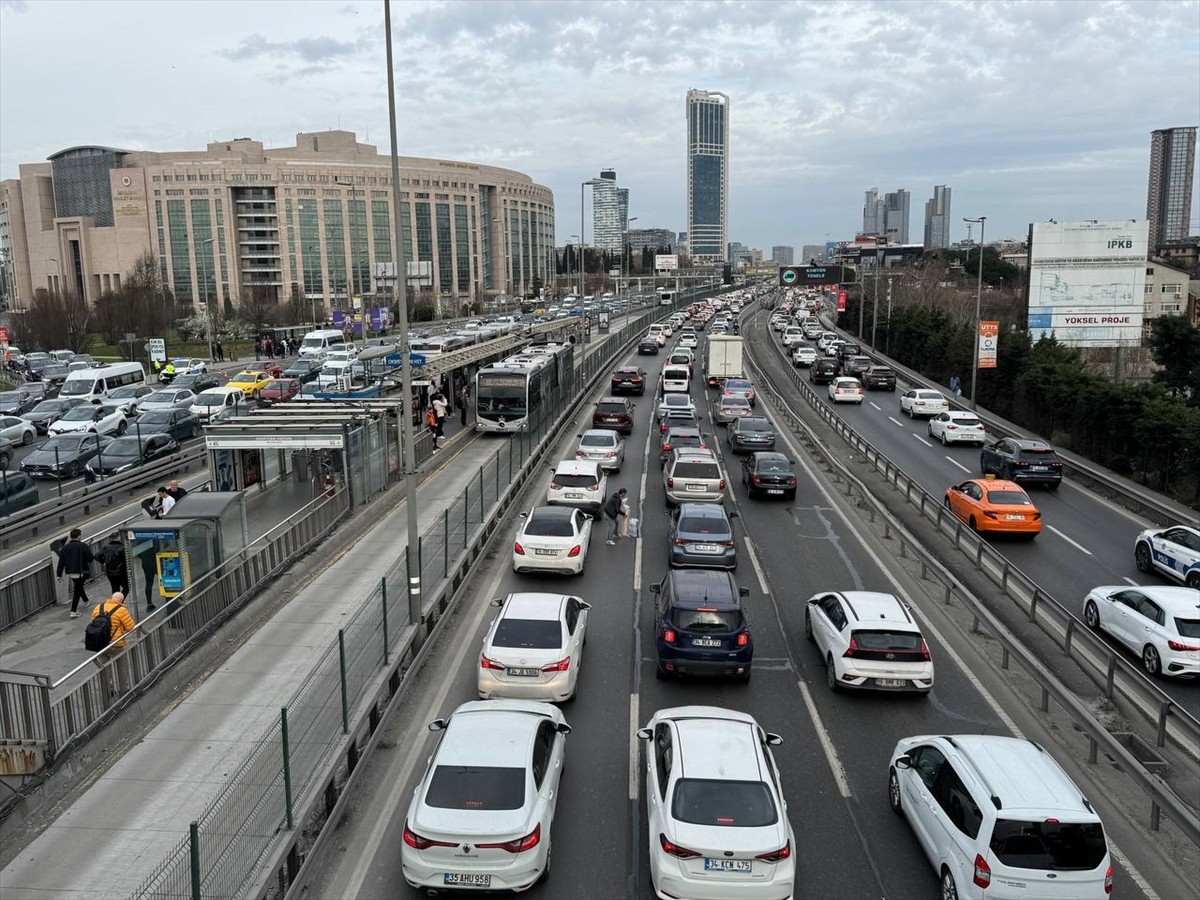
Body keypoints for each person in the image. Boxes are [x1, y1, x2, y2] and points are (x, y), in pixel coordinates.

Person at [91, 592, 137, 694]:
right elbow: (130, 627)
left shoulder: (99, 607)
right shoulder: (121, 610)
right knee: (122, 665)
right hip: (116, 644)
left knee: (103, 666)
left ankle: (108, 689)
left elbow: (93, 621)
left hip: (100, 644)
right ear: (121, 601)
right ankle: (124, 687)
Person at [56, 528, 95, 617]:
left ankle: (86, 601)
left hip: (71, 572)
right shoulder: (83, 546)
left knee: (78, 587)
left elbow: (61, 562)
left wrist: (58, 574)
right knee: (77, 590)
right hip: (82, 571)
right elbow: (90, 558)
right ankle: (73, 611)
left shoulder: (65, 548)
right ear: (79, 536)